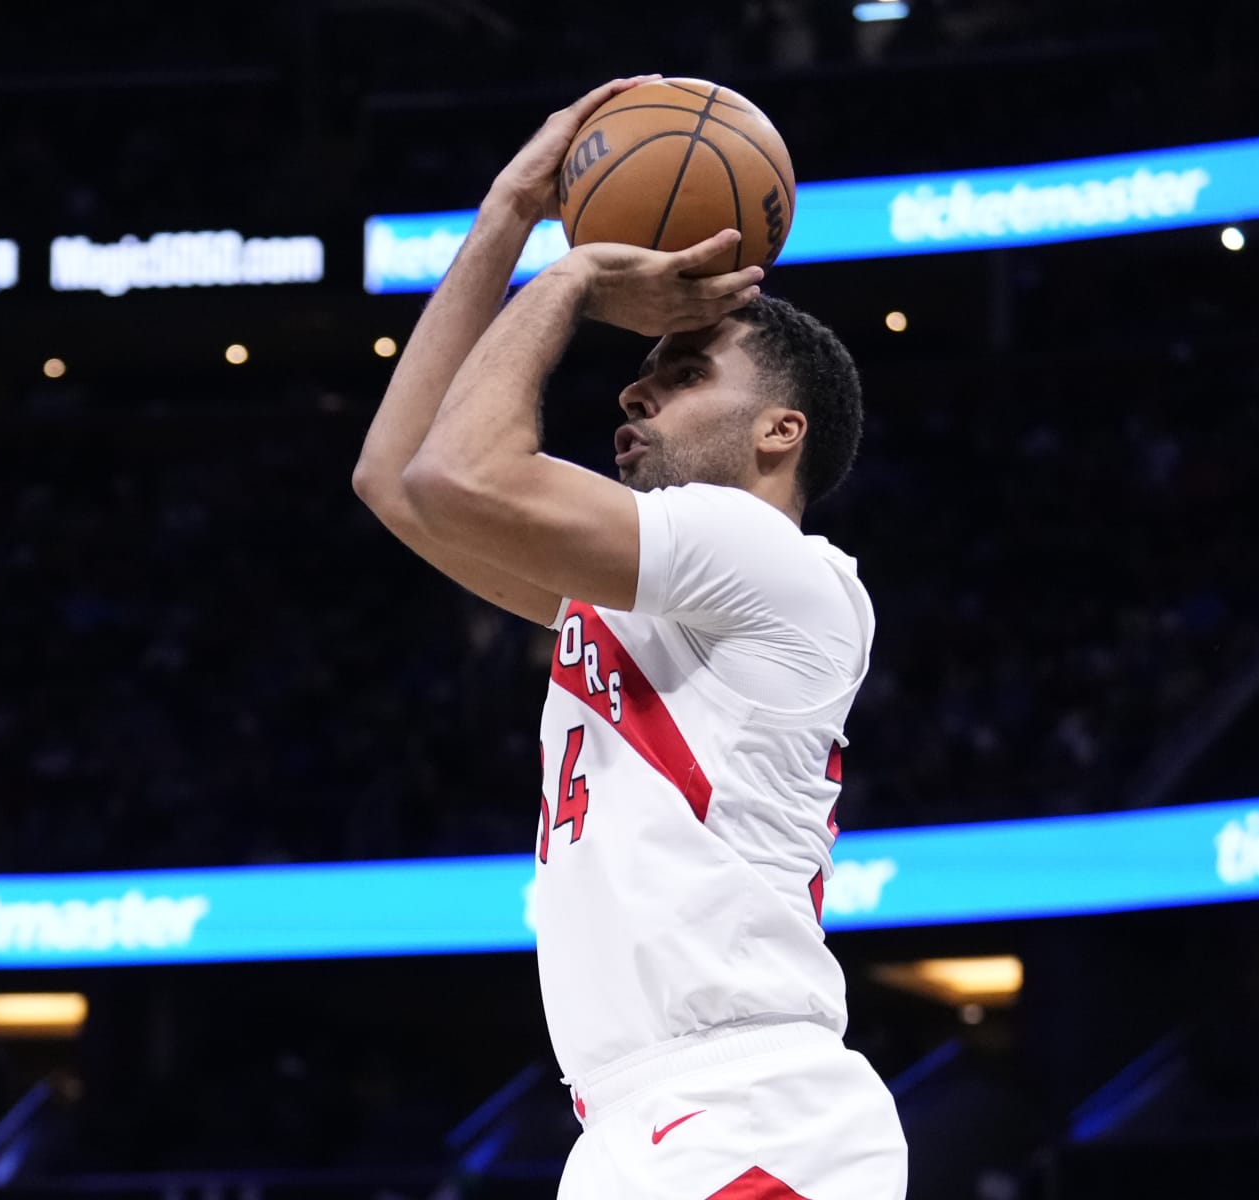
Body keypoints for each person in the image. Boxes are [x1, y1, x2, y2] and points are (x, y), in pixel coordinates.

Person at [353, 75, 907, 1200]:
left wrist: (572, 276)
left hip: (756, 1109)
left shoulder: (775, 563)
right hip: (631, 1120)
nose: (631, 398)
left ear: (780, 431)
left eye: (682, 373)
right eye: (641, 374)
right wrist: (508, 213)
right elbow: (395, 479)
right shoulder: (636, 604)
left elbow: (459, 474)